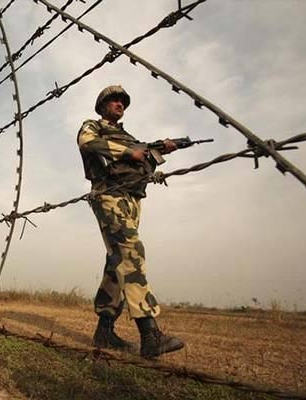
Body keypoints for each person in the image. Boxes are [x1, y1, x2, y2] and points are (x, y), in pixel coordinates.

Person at [77, 85, 185, 358]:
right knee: (131, 253)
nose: (119, 104)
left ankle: (104, 332)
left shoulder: (130, 137)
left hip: (133, 199)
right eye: (113, 100)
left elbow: (141, 165)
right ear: (102, 106)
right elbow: (86, 142)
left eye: (122, 101)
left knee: (117, 263)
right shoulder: (93, 126)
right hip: (108, 194)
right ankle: (150, 334)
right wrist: (129, 152)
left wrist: (160, 153)